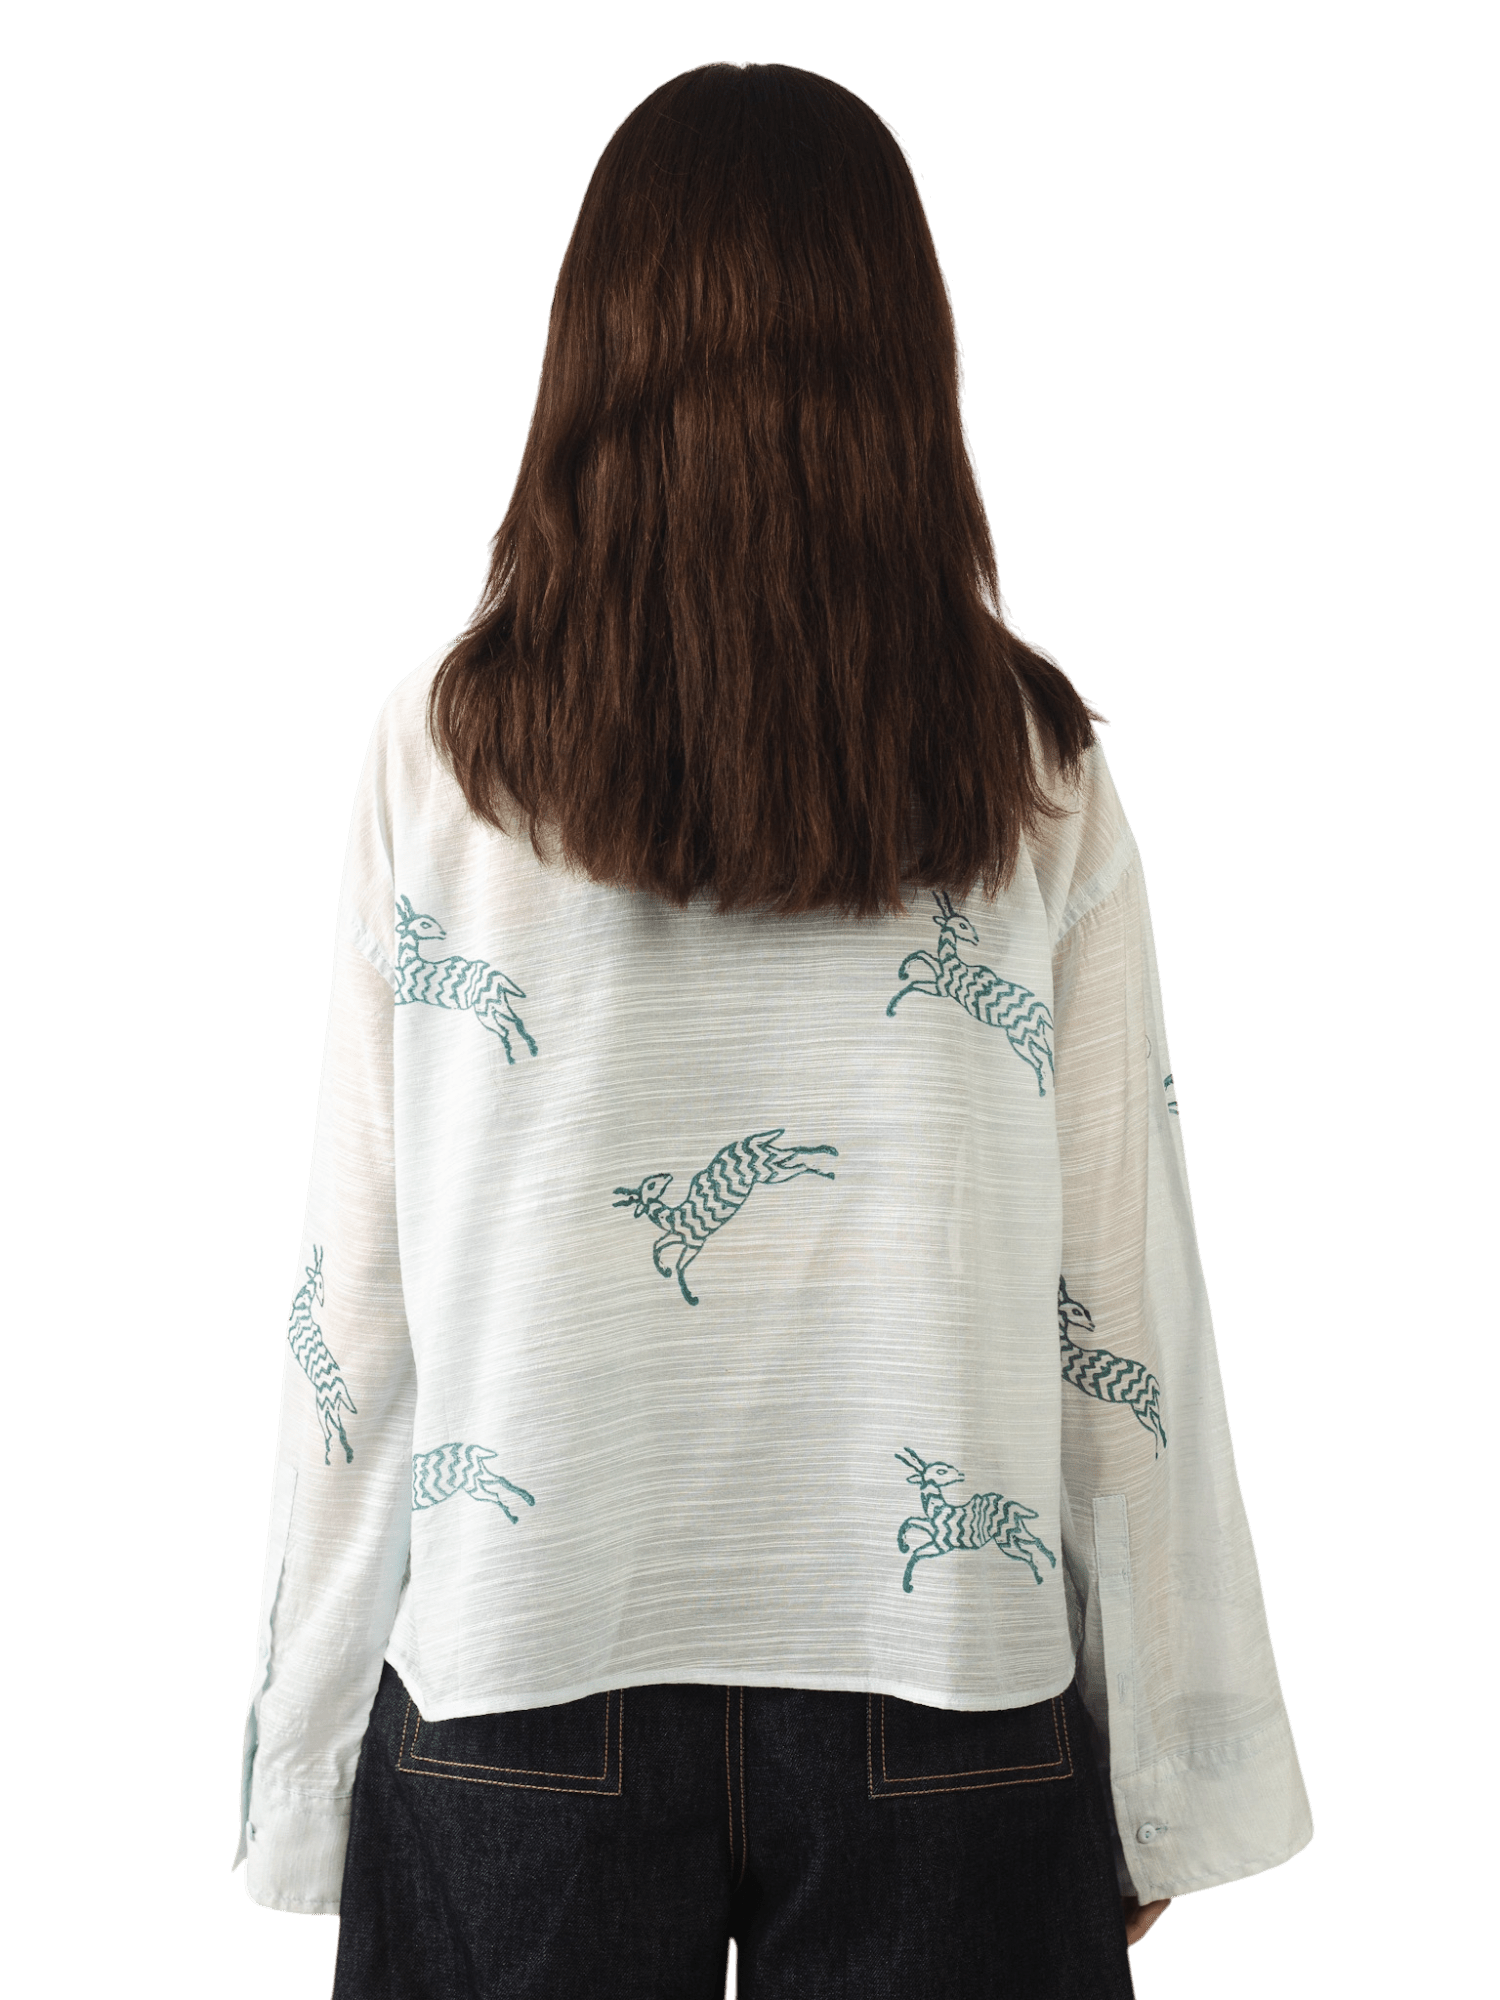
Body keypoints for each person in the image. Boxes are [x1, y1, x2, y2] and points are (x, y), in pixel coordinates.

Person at [233, 60, 1313, 1998]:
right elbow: (1126, 1297)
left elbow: (356, 1304)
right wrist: (1171, 1772)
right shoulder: (1032, 765)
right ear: (906, 361)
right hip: (943, 1692)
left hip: (522, 1679)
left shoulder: (443, 751)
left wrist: (312, 1778)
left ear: (593, 351)